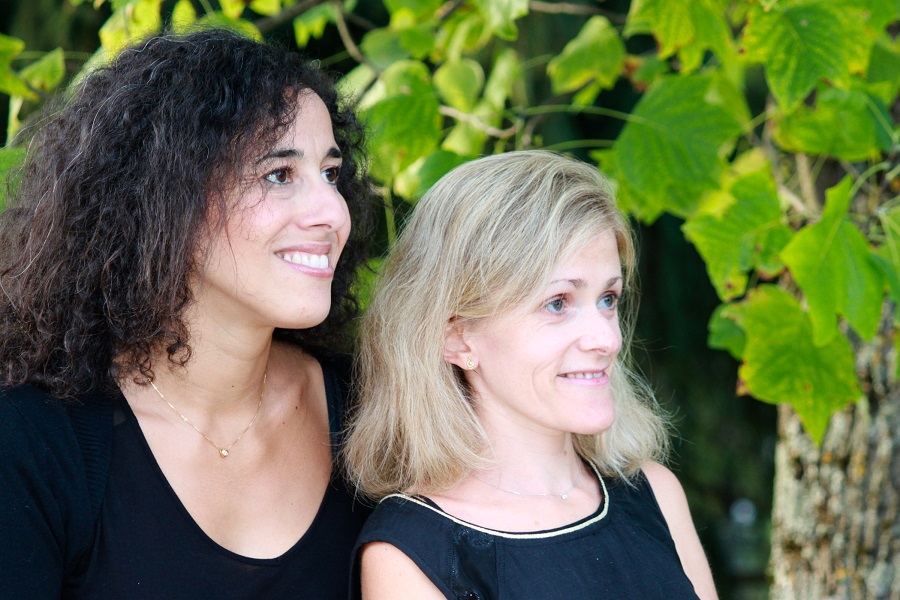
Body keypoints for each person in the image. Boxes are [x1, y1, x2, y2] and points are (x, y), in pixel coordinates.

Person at [0, 28, 374, 598]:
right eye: (279, 175)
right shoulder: (34, 442)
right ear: (167, 197)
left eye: (330, 173)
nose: (333, 212)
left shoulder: (373, 409)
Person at [344, 151, 718, 599]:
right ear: (457, 337)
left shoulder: (655, 493)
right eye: (557, 303)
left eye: (608, 299)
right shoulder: (411, 555)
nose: (607, 339)